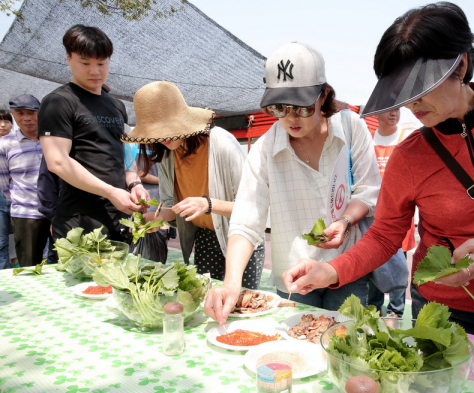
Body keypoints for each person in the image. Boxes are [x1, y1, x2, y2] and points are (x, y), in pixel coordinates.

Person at [283, 2, 474, 360]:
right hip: (438, 310)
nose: (411, 106)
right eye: (402, 94)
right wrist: (330, 270)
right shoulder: (409, 155)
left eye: (420, 90)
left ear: (461, 65)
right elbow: (387, 234)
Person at [204, 42, 381, 324]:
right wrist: (231, 281)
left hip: (346, 266)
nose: (290, 118)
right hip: (294, 277)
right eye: (279, 108)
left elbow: (369, 190)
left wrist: (346, 221)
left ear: (323, 95)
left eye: (301, 108)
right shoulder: (264, 149)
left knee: (344, 346)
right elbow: (246, 218)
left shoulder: (351, 127)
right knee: (296, 349)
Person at [122, 81, 264, 281]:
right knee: (205, 301)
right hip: (204, 237)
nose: (162, 137)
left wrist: (208, 204)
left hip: (240, 238)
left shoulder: (221, 143)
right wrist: (156, 218)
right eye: (155, 131)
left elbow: (252, 208)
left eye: (167, 127)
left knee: (241, 305)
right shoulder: (167, 154)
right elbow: (174, 207)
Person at [38, 25, 148, 242]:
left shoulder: (116, 105)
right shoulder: (59, 102)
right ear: (68, 58)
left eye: (101, 63)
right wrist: (110, 191)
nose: (95, 71)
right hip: (80, 220)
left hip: (119, 214)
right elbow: (57, 162)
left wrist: (134, 182)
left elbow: (126, 154)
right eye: (85, 63)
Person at [367, 108, 416, 317]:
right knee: (373, 263)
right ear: (376, 114)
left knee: (397, 266)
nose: (394, 113)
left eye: (397, 109)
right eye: (388, 110)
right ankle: (374, 309)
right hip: (372, 217)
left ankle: (396, 311)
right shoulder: (367, 142)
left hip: (400, 216)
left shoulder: (408, 139)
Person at [0, 95, 51, 267]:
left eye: (31, 112)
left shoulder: (54, 139)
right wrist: (19, 199)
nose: (26, 118)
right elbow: (4, 183)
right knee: (29, 266)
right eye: (20, 113)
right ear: (13, 115)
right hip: (26, 214)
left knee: (63, 263)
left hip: (58, 212)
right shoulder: (5, 144)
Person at [0, 110, 12, 269]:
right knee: (1, 240)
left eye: (6, 121)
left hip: (17, 194)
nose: (3, 125)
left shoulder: (16, 143)